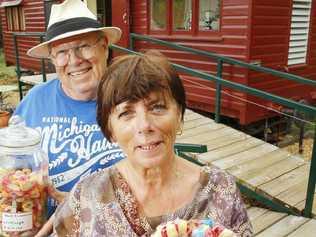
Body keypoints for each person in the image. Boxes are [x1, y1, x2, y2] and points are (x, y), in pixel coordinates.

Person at [53, 52, 253, 236]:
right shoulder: (88, 195)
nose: (144, 125)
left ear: (179, 117)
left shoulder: (221, 191)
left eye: (157, 107)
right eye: (126, 113)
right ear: (110, 129)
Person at [13, 0, 124, 228]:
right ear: (53, 59)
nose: (74, 60)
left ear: (104, 46)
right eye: (62, 52)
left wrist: (86, 206)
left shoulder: (130, 99)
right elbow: (12, 171)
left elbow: (156, 183)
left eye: (83, 46)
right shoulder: (35, 101)